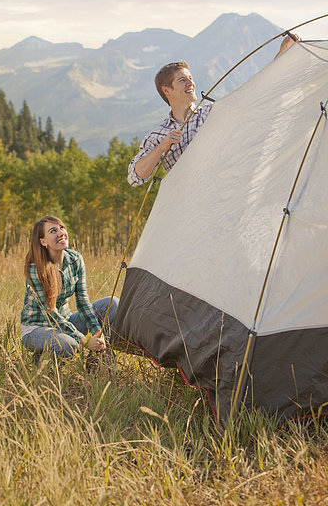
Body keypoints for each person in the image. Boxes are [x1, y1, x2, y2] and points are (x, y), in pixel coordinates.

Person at [127, 34, 299, 186]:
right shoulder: (158, 135)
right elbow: (135, 178)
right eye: (182, 80)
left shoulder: (210, 112)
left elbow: (251, 95)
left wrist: (282, 54)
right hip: (184, 209)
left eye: (191, 78)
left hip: (221, 199)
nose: (190, 83)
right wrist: (162, 147)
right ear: (167, 90)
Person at [21, 215, 119, 357]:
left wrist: (98, 332)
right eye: (53, 231)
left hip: (65, 323)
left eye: (61, 228)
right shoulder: (36, 269)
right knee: (70, 346)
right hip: (37, 329)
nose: (60, 233)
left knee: (112, 304)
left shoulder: (75, 259)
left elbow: (83, 303)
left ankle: (97, 359)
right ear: (43, 242)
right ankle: (42, 361)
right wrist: (85, 341)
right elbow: (51, 314)